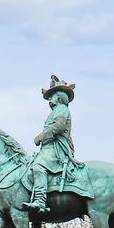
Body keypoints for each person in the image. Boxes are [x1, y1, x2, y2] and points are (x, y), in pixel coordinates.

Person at [26, 76, 77, 215]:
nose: (50, 100)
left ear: (59, 97)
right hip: (49, 147)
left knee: (38, 167)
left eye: (52, 96)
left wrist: (40, 137)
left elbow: (58, 127)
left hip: (56, 148)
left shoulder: (61, 109)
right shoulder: (57, 111)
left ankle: (40, 200)